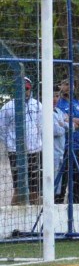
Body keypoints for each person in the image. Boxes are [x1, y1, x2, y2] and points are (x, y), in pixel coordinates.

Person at [0, 76, 43, 205]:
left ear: (30, 89)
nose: (25, 92)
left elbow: (41, 126)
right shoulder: (8, 107)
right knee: (19, 188)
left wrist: (38, 142)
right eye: (22, 89)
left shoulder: (37, 105)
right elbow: (2, 128)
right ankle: (12, 218)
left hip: (34, 151)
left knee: (35, 189)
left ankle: (36, 218)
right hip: (16, 152)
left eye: (27, 89)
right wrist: (10, 144)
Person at [56, 78, 79, 203]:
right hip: (63, 149)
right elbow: (61, 124)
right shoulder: (57, 104)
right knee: (60, 185)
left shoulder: (78, 104)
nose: (68, 86)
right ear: (60, 86)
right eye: (65, 83)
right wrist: (77, 122)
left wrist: (72, 120)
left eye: (71, 84)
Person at [52, 90, 69, 196]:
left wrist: (62, 124)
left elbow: (72, 126)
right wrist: (64, 125)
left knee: (59, 184)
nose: (54, 99)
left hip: (60, 152)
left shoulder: (59, 111)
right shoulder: (43, 111)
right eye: (52, 96)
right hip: (49, 153)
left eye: (57, 96)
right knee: (50, 184)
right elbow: (55, 131)